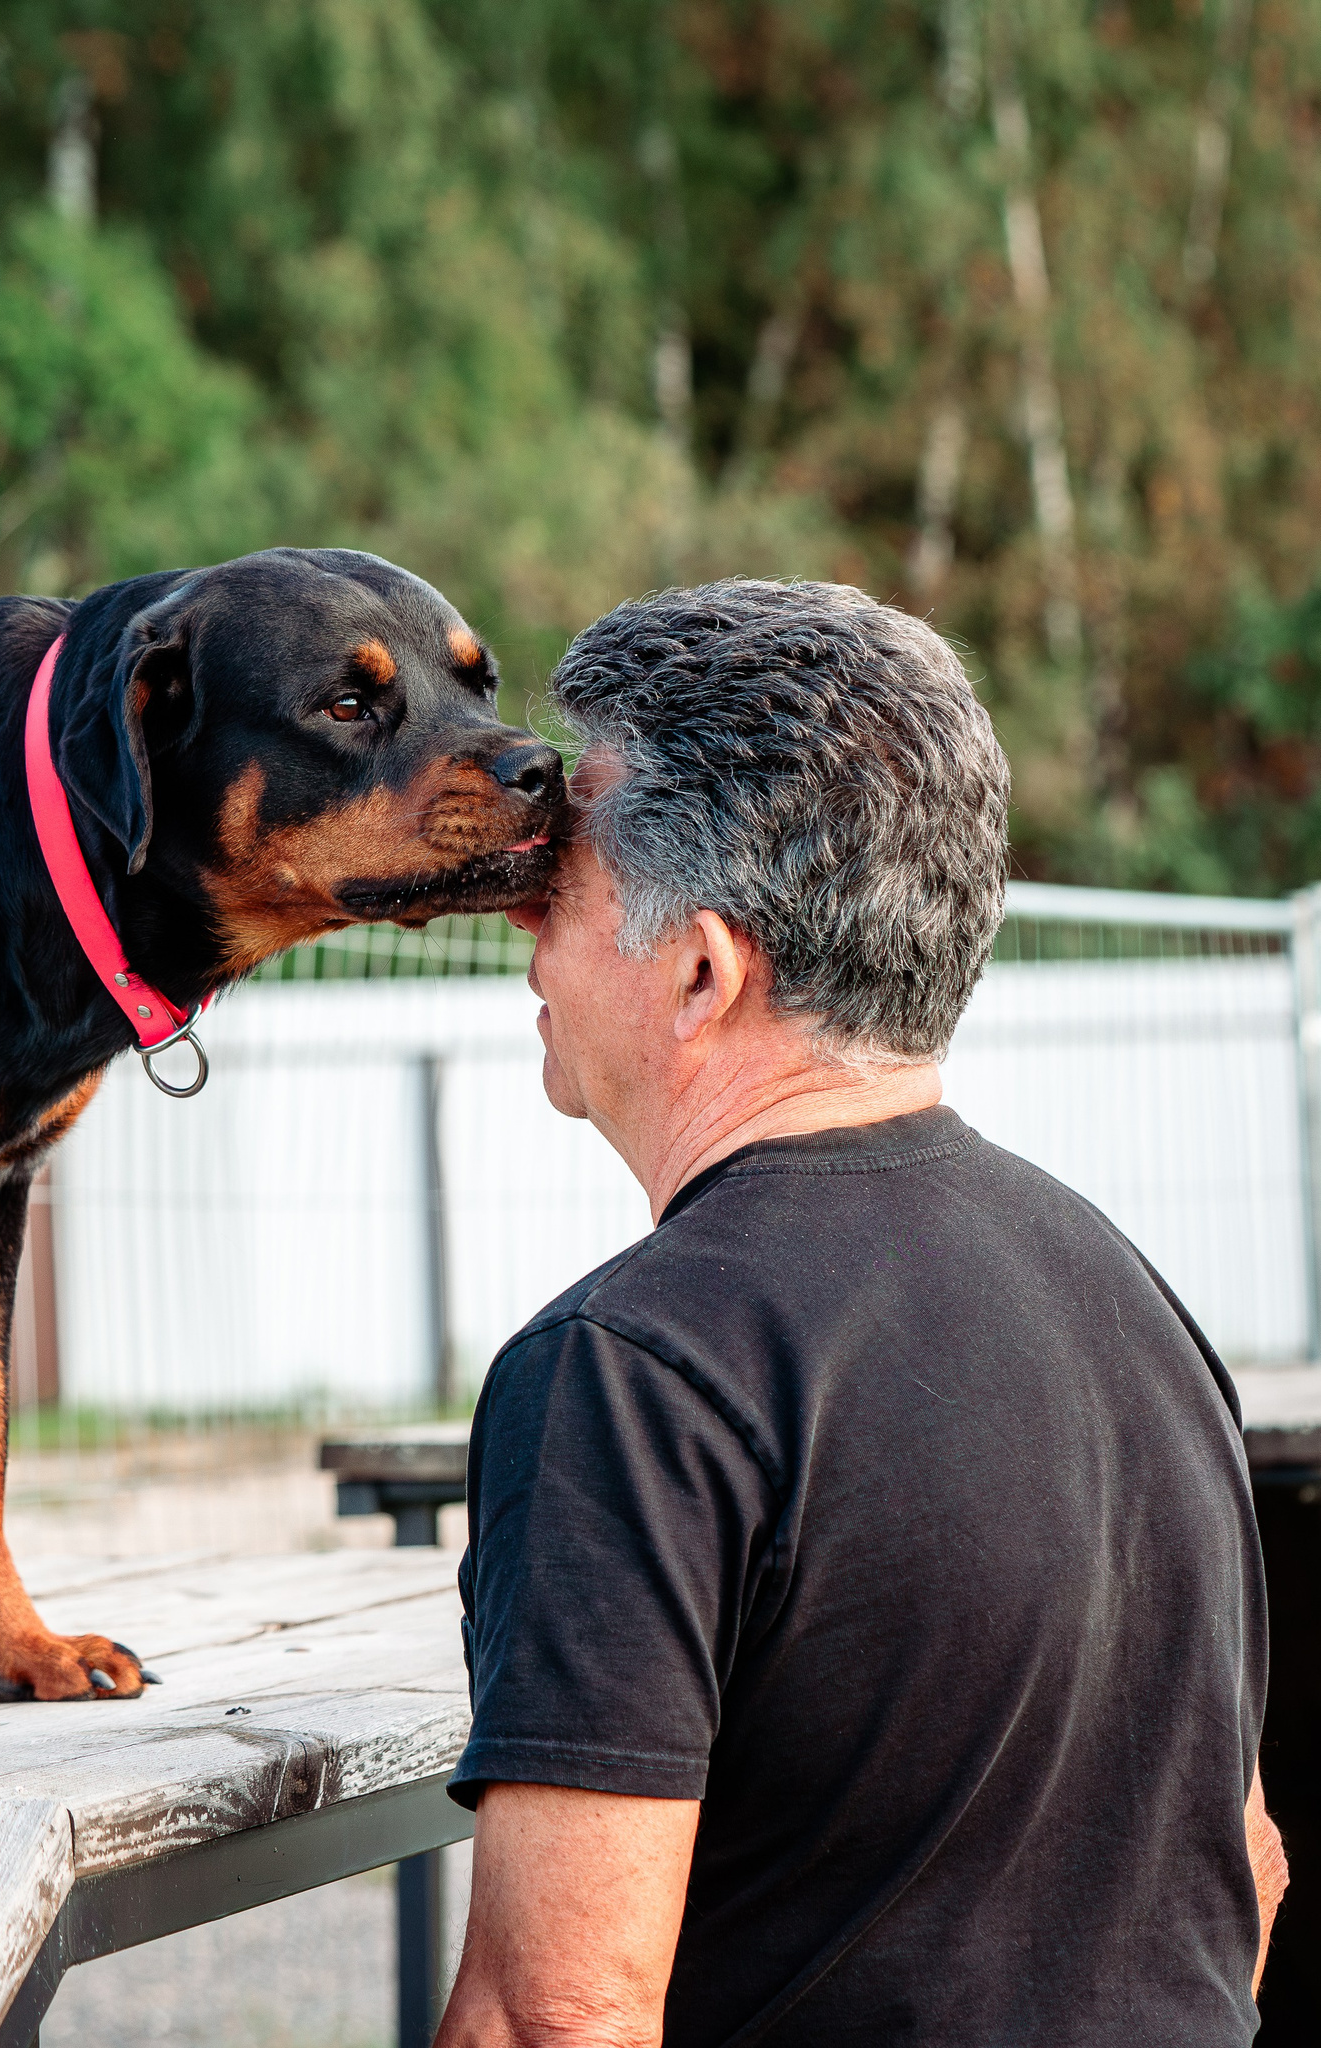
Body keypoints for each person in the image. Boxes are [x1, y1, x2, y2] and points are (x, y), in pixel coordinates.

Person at [436, 580, 1287, 2047]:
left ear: (701, 968)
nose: (521, 907)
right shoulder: (1133, 1302)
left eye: (559, 863)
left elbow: (556, 2019)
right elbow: (1248, 1876)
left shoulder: (632, 1376)